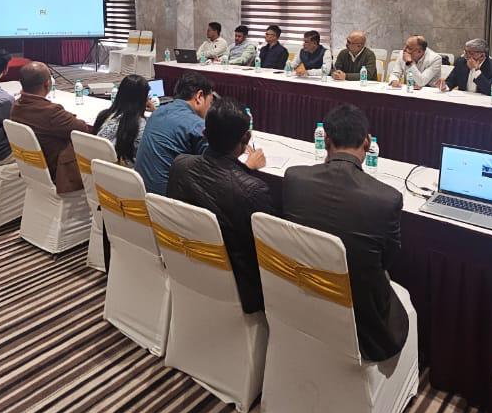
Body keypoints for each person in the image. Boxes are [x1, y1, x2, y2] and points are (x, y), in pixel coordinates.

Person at [281, 104, 408, 362]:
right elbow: (387, 262)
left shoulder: (294, 179)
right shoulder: (387, 199)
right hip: (364, 325)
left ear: (326, 140)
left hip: (300, 299)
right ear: (367, 143)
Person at [166, 98, 276, 313]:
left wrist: (245, 171)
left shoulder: (180, 165)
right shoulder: (254, 190)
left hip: (185, 267)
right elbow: (265, 253)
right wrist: (247, 171)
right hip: (240, 289)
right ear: (246, 138)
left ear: (204, 134)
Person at [10, 61, 92, 193]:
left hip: (33, 166)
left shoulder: (16, 105)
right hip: (59, 171)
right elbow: (83, 129)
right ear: (47, 84)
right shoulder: (51, 112)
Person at [135, 72, 214, 194]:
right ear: (199, 96)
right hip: (167, 201)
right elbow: (216, 171)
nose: (210, 108)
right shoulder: (197, 125)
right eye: (211, 102)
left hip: (139, 194)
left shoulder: (156, 113)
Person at [92, 73, 152, 167]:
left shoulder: (103, 115)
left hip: (99, 170)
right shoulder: (139, 124)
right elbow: (145, 156)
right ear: (142, 99)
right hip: (126, 172)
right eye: (147, 96)